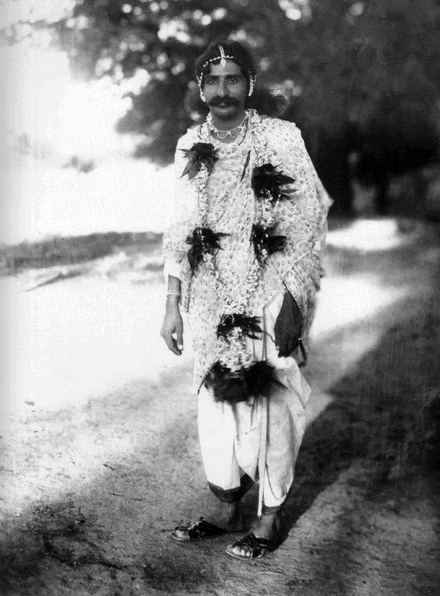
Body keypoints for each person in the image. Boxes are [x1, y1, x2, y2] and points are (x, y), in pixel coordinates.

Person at [160, 40, 330, 561]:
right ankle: (227, 505)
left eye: (234, 79)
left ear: (250, 84)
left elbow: (307, 218)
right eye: (212, 81)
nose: (222, 90)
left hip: (272, 283)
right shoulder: (191, 146)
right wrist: (172, 301)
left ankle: (270, 514)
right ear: (200, 88)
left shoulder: (280, 137)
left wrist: (293, 300)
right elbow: (180, 225)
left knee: (274, 394)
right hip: (210, 291)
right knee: (219, 396)